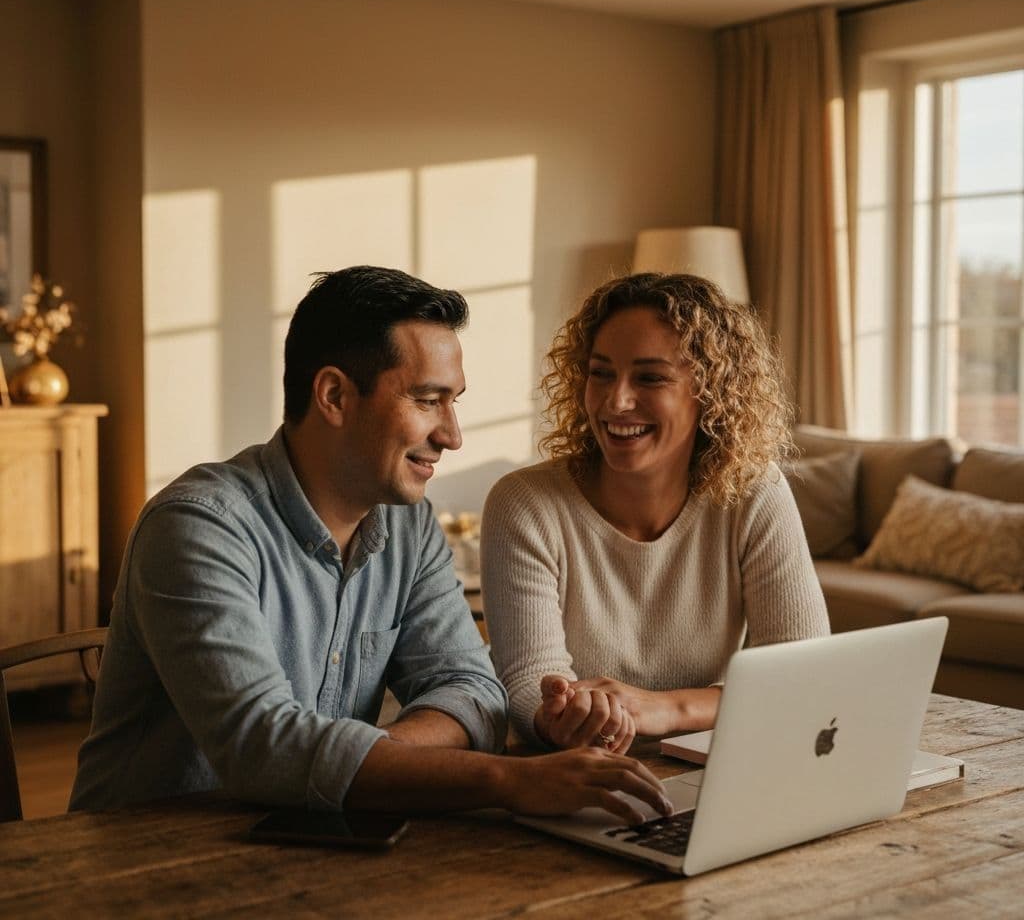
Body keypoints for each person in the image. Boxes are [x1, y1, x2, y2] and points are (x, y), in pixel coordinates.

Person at [71, 266, 672, 824]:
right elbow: (264, 748)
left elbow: (475, 695)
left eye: (454, 402)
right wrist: (508, 782)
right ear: (333, 396)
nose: (452, 435)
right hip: (142, 864)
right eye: (428, 399)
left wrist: (346, 762)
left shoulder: (408, 529)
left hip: (317, 845)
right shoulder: (197, 526)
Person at [480, 272, 829, 753]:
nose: (616, 401)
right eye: (601, 373)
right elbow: (527, 690)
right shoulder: (525, 504)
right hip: (576, 773)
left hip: (713, 770)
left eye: (650, 377)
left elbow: (804, 676)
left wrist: (663, 708)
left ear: (710, 392)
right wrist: (559, 716)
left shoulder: (755, 491)